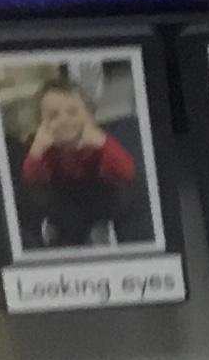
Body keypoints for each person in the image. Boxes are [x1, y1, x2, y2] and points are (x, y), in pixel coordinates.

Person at [16, 78, 142, 249]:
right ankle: (61, 232)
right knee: (53, 203)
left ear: (89, 116)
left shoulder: (97, 140)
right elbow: (32, 177)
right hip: (65, 197)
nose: (64, 120)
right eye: (53, 116)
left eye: (73, 112)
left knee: (122, 193)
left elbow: (126, 171)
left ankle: (103, 230)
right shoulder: (44, 147)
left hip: (99, 190)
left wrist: (102, 143)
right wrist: (37, 149)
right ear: (41, 126)